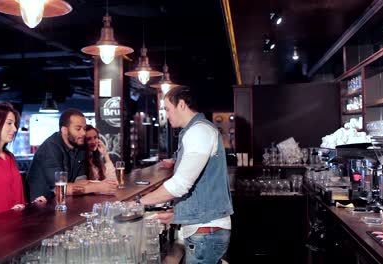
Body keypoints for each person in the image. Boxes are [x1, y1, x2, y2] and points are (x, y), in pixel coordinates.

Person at [135, 86, 234, 264]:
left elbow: (180, 184)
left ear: (181, 105)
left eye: (167, 109)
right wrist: (177, 213)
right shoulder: (197, 130)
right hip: (206, 230)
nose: (166, 114)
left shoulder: (198, 132)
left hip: (206, 233)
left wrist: (137, 203)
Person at [27, 108, 117, 202]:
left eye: (84, 129)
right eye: (78, 129)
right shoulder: (51, 148)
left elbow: (80, 181)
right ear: (64, 130)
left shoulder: (79, 146)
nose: (83, 133)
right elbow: (60, 188)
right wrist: (97, 187)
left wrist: (101, 185)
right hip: (39, 207)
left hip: (62, 203)